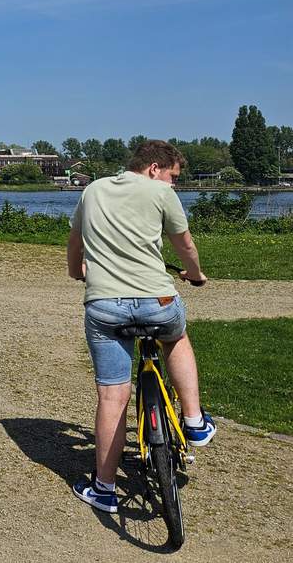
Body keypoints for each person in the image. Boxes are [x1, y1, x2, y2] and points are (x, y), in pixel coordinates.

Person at [68, 139, 214, 514]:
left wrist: (77, 272)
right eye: (173, 176)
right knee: (175, 337)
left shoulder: (92, 190)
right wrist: (195, 275)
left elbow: (75, 244)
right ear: (154, 168)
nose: (174, 184)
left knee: (112, 397)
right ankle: (195, 422)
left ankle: (104, 489)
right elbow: (185, 246)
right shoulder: (161, 194)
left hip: (104, 306)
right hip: (157, 302)